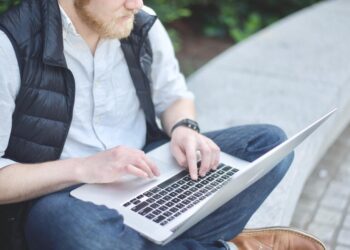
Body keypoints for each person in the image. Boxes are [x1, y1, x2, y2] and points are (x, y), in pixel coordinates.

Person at [0, 0, 325, 249]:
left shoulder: (137, 22)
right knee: (75, 230)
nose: (136, 4)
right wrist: (83, 168)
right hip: (63, 195)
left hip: (147, 169)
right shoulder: (10, 43)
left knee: (270, 145)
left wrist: (184, 128)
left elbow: (174, 97)